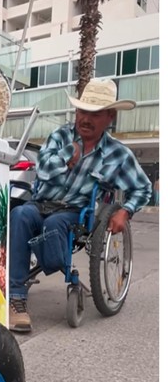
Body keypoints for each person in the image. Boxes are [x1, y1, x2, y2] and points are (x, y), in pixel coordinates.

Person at [8, 78, 152, 332]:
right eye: (83, 111)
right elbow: (41, 170)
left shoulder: (118, 155)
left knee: (54, 223)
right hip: (40, 202)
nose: (86, 118)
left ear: (110, 117)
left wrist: (125, 210)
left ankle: (46, 265)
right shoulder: (60, 136)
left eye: (95, 113)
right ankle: (16, 296)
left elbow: (143, 188)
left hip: (75, 212)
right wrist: (67, 155)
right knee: (19, 214)